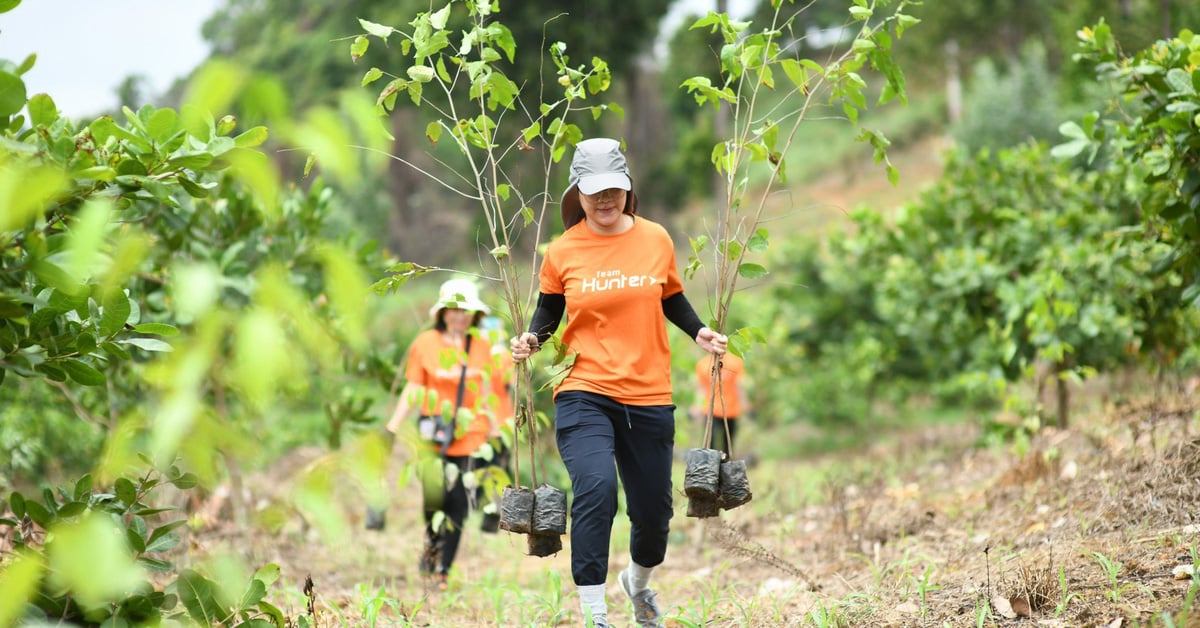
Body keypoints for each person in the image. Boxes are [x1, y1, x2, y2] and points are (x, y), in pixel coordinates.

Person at [510, 138, 727, 628]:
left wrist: (699, 331)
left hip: (649, 391)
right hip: (583, 388)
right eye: (594, 192)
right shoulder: (563, 250)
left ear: (628, 189)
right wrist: (531, 338)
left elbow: (670, 296)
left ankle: (638, 584)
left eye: (614, 189)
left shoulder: (655, 239)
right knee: (596, 489)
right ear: (577, 194)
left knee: (653, 512)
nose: (605, 200)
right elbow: (550, 309)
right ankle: (595, 613)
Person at [384, 277, 499, 591]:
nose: (460, 315)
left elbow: (489, 392)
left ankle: (444, 570)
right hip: (433, 434)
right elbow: (414, 387)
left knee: (459, 502)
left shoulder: (482, 347)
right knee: (433, 499)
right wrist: (393, 425)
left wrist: (497, 432)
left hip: (471, 433)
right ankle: (431, 546)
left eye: (466, 309)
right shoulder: (425, 344)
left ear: (474, 314)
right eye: (453, 308)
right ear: (443, 312)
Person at [690, 352, 749, 457]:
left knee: (727, 443)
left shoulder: (735, 363)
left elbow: (738, 385)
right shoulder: (703, 364)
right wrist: (697, 407)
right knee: (711, 443)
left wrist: (745, 405)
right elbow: (702, 389)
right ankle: (711, 469)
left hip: (730, 410)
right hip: (711, 410)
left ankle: (724, 468)